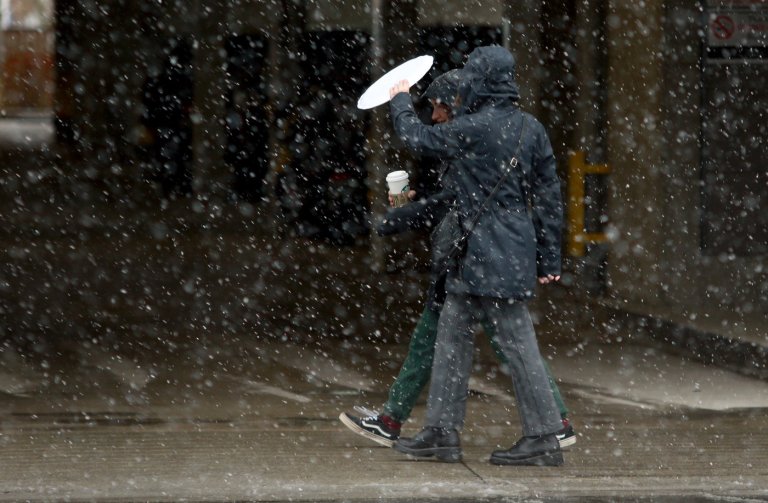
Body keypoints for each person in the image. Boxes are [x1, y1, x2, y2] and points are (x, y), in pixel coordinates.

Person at [338, 68, 574, 453]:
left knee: (502, 343)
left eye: (438, 107)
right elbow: (529, 197)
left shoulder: (475, 134)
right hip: (475, 258)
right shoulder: (502, 132)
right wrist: (548, 258)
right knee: (467, 339)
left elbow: (425, 153)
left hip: (477, 258)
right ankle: (429, 427)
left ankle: (546, 427)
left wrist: (400, 99)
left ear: (457, 103)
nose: (434, 116)